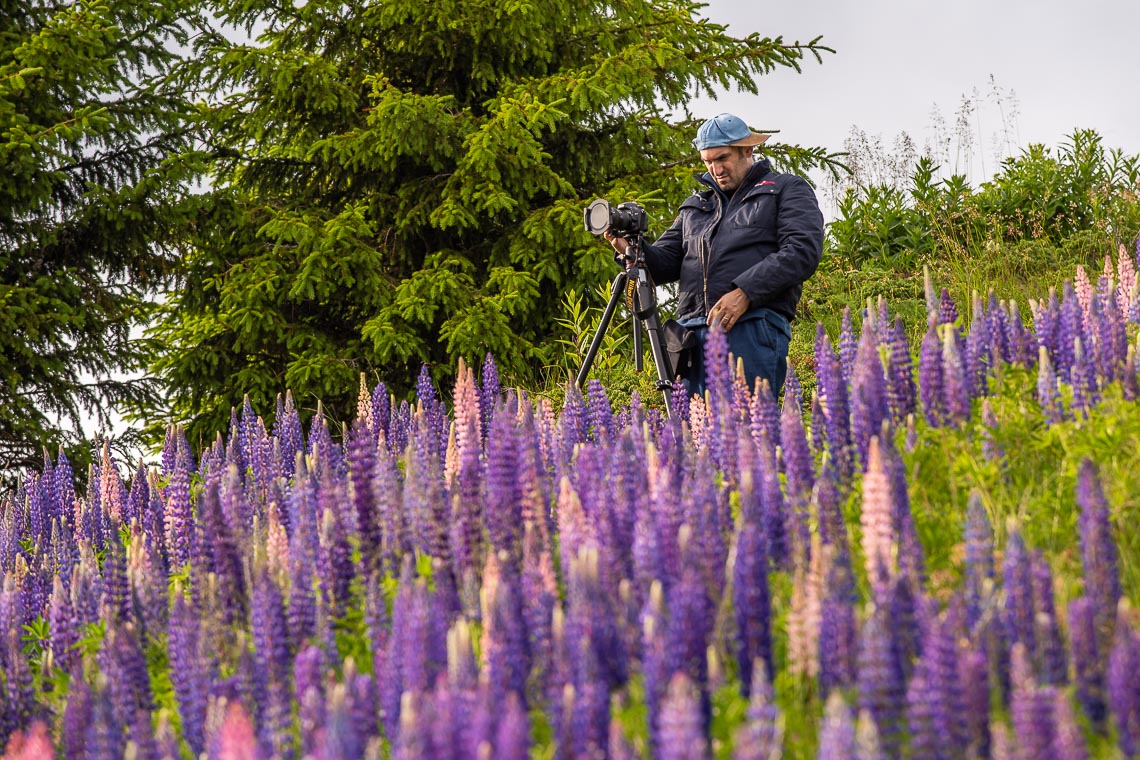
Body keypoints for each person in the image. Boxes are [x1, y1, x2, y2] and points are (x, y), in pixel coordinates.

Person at [605, 112, 824, 398]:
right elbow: (662, 264)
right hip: (691, 338)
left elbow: (801, 251)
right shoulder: (696, 206)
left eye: (722, 158)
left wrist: (745, 292)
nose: (715, 169)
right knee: (695, 436)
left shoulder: (786, 189)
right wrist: (631, 249)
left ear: (747, 150)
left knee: (751, 429)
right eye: (708, 161)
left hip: (752, 325)